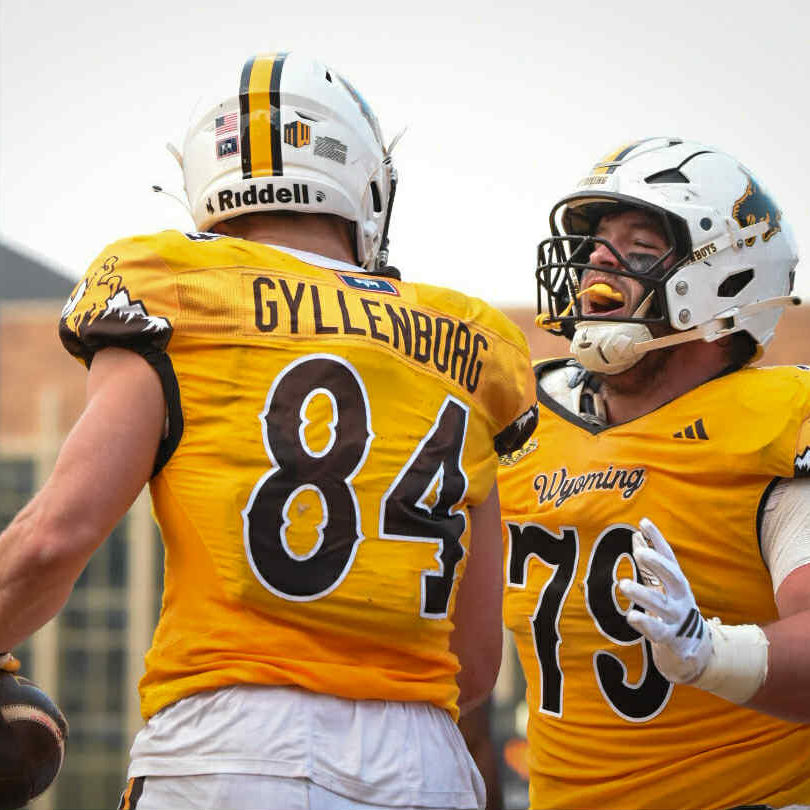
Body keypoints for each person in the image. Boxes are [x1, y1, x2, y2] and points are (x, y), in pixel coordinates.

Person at [0, 52, 538, 810]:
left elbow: (54, 537)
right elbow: (475, 664)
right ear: (362, 180)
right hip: (424, 759)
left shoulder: (178, 287)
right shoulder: (472, 342)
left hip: (234, 746)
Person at [496, 137, 810, 809]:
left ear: (724, 285)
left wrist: (710, 652)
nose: (598, 264)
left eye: (639, 247)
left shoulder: (777, 421)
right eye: (597, 244)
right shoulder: (524, 421)